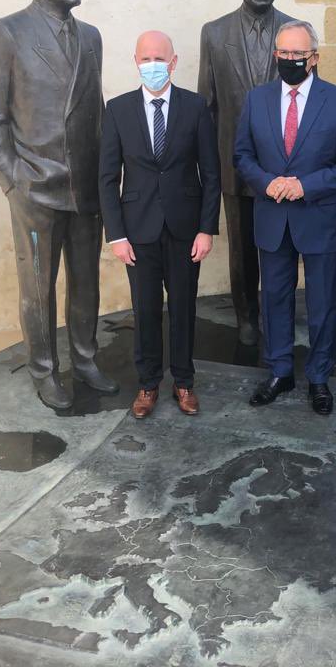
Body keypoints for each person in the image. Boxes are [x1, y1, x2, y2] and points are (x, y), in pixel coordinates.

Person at [0, 0, 117, 411]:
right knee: (38, 288)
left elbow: (94, 111)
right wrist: (12, 179)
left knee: (86, 282)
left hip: (86, 186)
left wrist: (106, 175)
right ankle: (44, 370)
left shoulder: (91, 37)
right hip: (34, 186)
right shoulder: (7, 32)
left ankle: (85, 360)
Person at [233, 20, 336, 415]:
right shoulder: (256, 99)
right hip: (273, 217)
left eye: (298, 53)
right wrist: (267, 182)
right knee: (274, 299)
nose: (290, 59)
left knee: (323, 303)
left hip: (320, 217)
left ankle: (319, 377)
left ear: (314, 57)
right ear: (276, 54)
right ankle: (279, 371)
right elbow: (242, 155)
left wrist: (305, 185)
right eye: (284, 52)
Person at [99, 31, 221, 419]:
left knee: (183, 308)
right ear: (136, 62)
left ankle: (184, 382)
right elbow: (107, 179)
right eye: (145, 58)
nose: (153, 65)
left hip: (186, 230)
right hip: (137, 232)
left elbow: (211, 174)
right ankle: (148, 384)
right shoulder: (117, 109)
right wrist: (116, 235)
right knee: (145, 309)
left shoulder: (196, 107)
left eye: (160, 58)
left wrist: (206, 229)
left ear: (173, 62)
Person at [199, 0, 296, 346]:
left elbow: (307, 103)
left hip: (283, 165)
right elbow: (207, 105)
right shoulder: (214, 33)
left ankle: (277, 315)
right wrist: (210, 167)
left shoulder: (295, 31)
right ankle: (246, 317)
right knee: (240, 249)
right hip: (234, 164)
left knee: (280, 246)